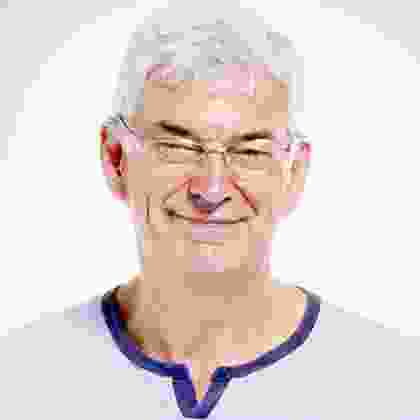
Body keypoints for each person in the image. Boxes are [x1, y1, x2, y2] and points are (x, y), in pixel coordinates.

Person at [1, 4, 418, 419]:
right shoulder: (21, 378)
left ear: (294, 173)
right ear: (115, 159)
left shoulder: (395, 387)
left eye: (250, 151)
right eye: (176, 147)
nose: (212, 188)